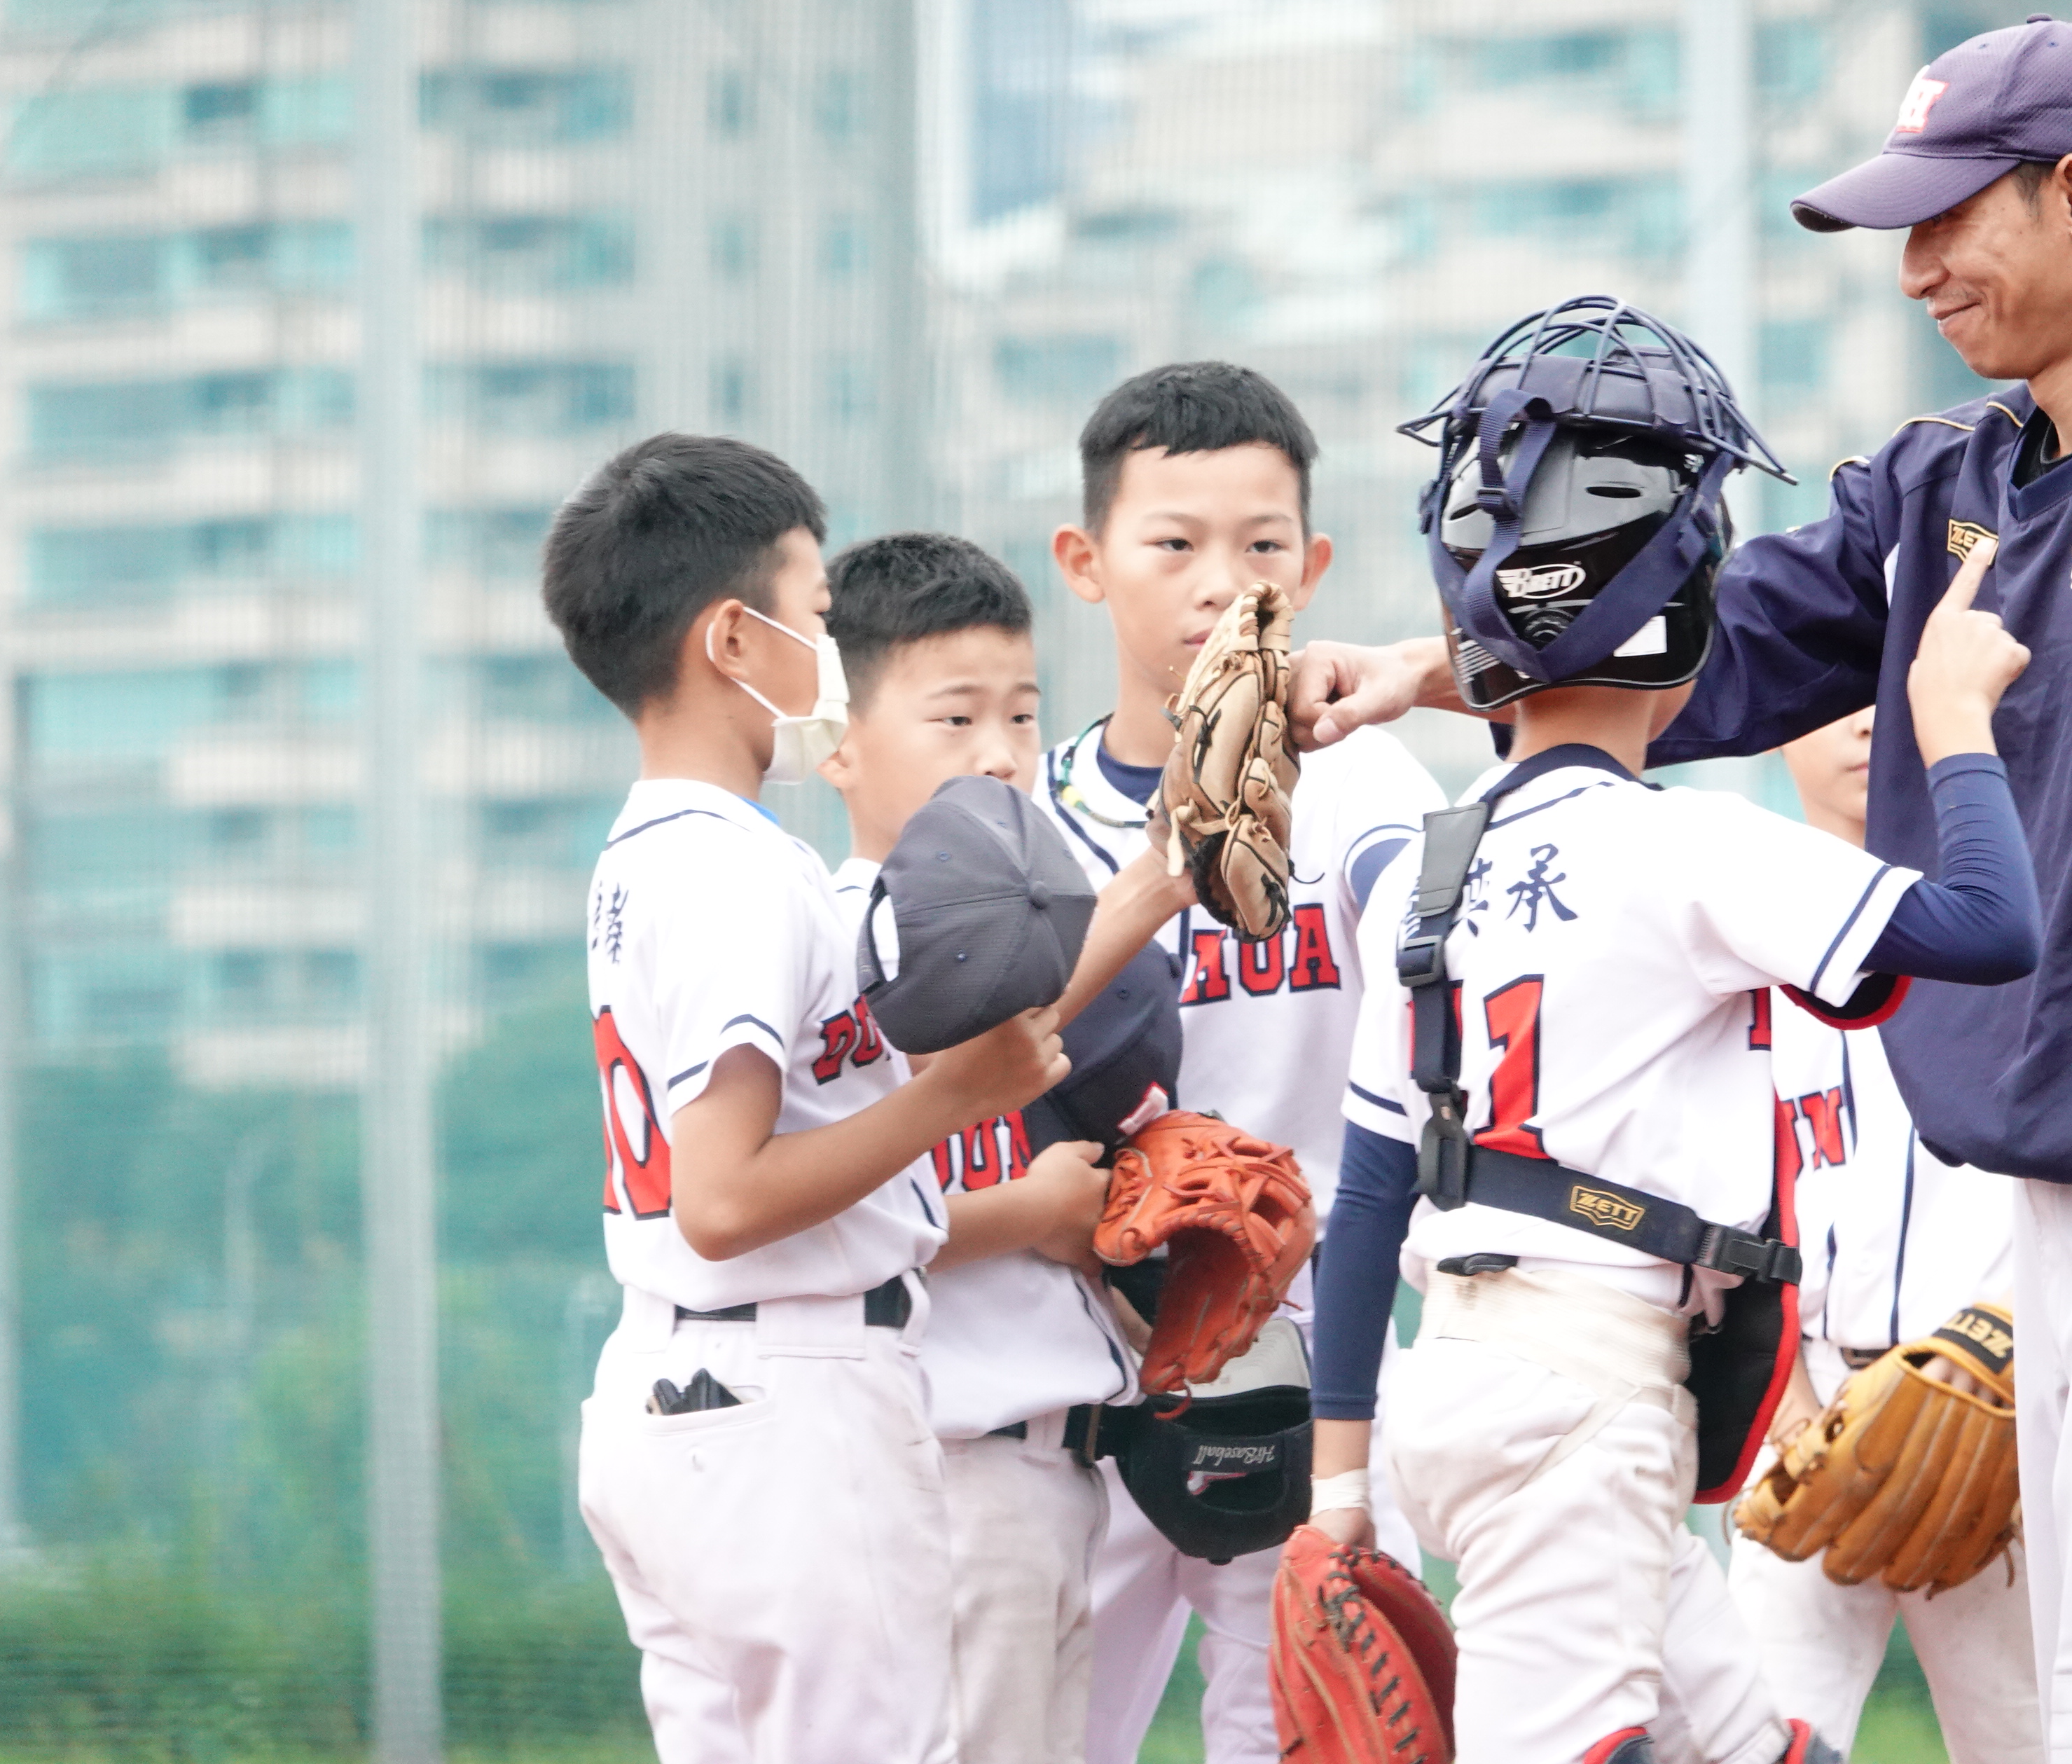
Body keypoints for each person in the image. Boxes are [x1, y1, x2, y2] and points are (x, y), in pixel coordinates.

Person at [1290, 18, 2072, 1762]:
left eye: (1948, 218)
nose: (1915, 269)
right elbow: (1715, 648)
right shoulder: (1944, 482)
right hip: (2050, 1209)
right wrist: (1423, 668)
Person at [1306, 298, 2042, 1763]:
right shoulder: (1690, 848)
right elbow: (1988, 928)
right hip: (1587, 1394)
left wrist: (1338, 1496)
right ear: (1689, 619)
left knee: (1747, 1744)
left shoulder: (1425, 871)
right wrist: (1953, 719)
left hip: (1456, 1384)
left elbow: (1369, 1200)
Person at [543, 435, 1065, 1764]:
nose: (829, 652)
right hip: (790, 1401)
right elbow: (724, 1200)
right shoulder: (738, 868)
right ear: (734, 637)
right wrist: (957, 1099)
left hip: (682, 1395)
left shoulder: (649, 851)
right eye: (817, 615)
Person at [1035, 362, 1444, 1764]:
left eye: (1263, 545)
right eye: (1174, 542)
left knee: (1301, 1734)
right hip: (1077, 1359)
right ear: (1086, 562)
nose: (1223, 582)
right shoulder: (1028, 823)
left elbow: (1423, 936)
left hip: (1313, 1362)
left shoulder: (1365, 784)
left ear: (1312, 568)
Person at [817, 529, 1187, 1764]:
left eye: (1023, 717)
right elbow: (828, 1218)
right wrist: (1036, 1213)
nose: (999, 753)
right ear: (839, 742)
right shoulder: (841, 936)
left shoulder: (1022, 941)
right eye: (955, 718)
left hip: (1057, 1474)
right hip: (950, 1468)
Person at [1727, 705, 2043, 1763]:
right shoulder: (1735, 948)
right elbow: (1722, 1212)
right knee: (1748, 1736)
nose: (1863, 724)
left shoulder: (2024, 934)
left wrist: (2005, 1354)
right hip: (1806, 1416)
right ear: (1776, 728)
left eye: (1889, 695)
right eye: (1827, 701)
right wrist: (1787, 1408)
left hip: (2001, 1415)